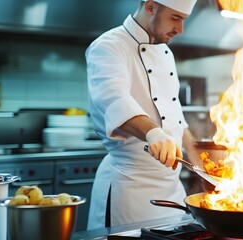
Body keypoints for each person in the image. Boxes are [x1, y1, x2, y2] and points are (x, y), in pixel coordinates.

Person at [85, 0, 200, 230]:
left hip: (171, 192)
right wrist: (153, 133)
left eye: (183, 20)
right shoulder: (108, 46)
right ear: (150, 7)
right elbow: (115, 100)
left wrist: (200, 166)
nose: (180, 29)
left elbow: (175, 116)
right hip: (129, 190)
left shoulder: (166, 52)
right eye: (175, 18)